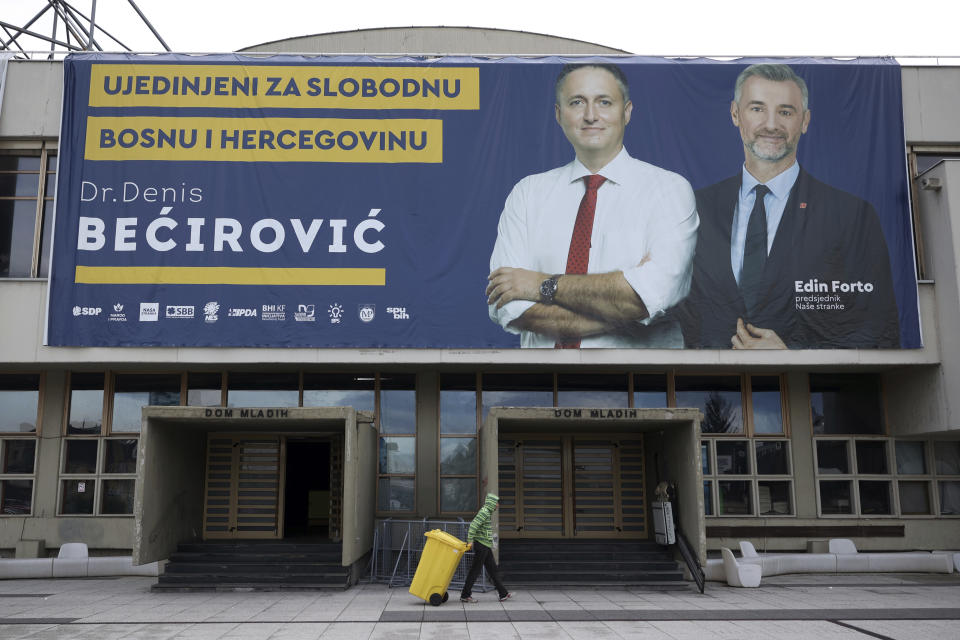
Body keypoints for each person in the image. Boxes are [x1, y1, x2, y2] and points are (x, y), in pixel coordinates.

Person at [679, 63, 900, 349]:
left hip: (809, 390)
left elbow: (881, 330)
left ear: (805, 121)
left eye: (785, 111)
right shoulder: (694, 209)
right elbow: (675, 312)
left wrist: (791, 354)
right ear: (735, 114)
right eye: (757, 108)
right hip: (705, 390)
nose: (771, 124)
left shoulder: (852, 215)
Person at [486, 63, 699, 348]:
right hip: (544, 386)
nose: (590, 116)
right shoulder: (527, 194)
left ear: (627, 112)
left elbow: (649, 295)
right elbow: (507, 303)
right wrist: (622, 307)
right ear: (559, 115)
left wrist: (539, 285)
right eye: (577, 102)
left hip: (637, 387)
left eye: (604, 102)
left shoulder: (669, 191)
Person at [460, 493, 511, 603]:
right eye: (496, 503)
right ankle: (465, 595)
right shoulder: (484, 512)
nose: (498, 505)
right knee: (475, 571)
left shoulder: (487, 512)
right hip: (481, 545)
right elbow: (473, 525)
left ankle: (503, 593)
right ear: (492, 503)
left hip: (485, 546)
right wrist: (470, 541)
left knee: (493, 570)